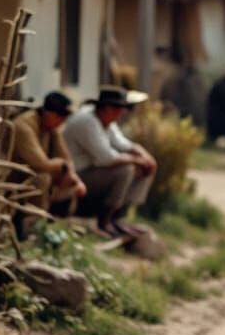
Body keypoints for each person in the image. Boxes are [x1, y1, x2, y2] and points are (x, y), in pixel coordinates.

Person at [64, 86, 156, 237]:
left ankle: (120, 217)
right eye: (117, 108)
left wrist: (142, 155)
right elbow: (106, 158)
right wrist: (136, 160)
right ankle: (105, 221)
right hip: (77, 176)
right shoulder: (87, 122)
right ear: (106, 108)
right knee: (125, 170)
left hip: (91, 172)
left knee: (143, 166)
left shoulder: (104, 119)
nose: (121, 113)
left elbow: (122, 143)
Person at [10, 91, 86, 222]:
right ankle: (30, 223)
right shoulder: (24, 125)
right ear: (48, 113)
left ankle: (56, 220)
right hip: (14, 177)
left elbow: (65, 156)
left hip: (36, 174)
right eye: (60, 117)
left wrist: (73, 177)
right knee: (43, 178)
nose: (63, 122)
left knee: (70, 180)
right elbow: (41, 164)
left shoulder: (52, 126)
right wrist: (63, 165)